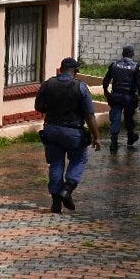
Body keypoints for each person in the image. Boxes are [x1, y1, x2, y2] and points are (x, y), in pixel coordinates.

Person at [35, 57, 101, 214]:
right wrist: (96, 136)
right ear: (76, 71)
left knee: (56, 163)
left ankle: (56, 203)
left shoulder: (48, 84)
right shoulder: (81, 87)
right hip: (73, 132)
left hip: (51, 130)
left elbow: (39, 106)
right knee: (79, 159)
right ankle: (67, 189)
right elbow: (89, 115)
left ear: (61, 69)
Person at [102, 44, 140, 152]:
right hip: (129, 98)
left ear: (122, 54)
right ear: (132, 54)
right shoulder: (135, 67)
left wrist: (105, 90)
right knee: (128, 117)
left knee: (115, 117)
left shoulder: (114, 65)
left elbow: (106, 80)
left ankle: (113, 141)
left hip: (115, 96)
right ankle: (130, 138)